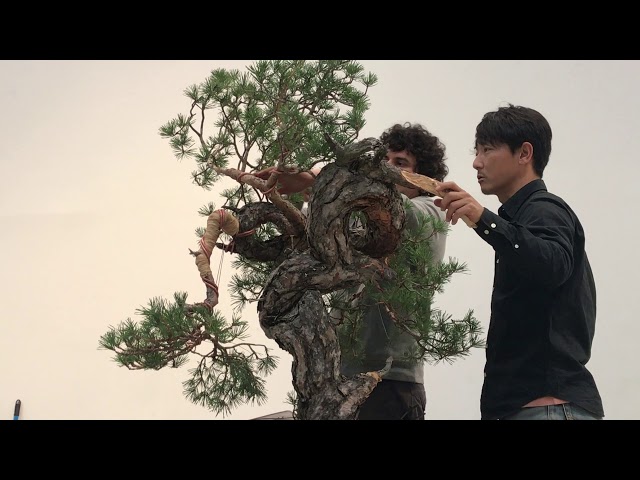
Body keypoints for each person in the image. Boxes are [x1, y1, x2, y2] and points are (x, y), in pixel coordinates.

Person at [254, 123, 449, 420]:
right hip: (336, 375)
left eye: (400, 164)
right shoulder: (357, 216)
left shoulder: (429, 211)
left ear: (422, 179)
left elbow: (399, 211)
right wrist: (293, 196)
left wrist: (320, 178)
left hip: (391, 380)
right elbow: (309, 231)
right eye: (385, 161)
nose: (386, 170)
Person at [434, 104, 604, 420]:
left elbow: (552, 266)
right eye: (476, 150)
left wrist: (481, 217)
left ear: (524, 153)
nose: (476, 162)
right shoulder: (522, 218)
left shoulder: (545, 209)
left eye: (487, 149)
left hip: (546, 408)